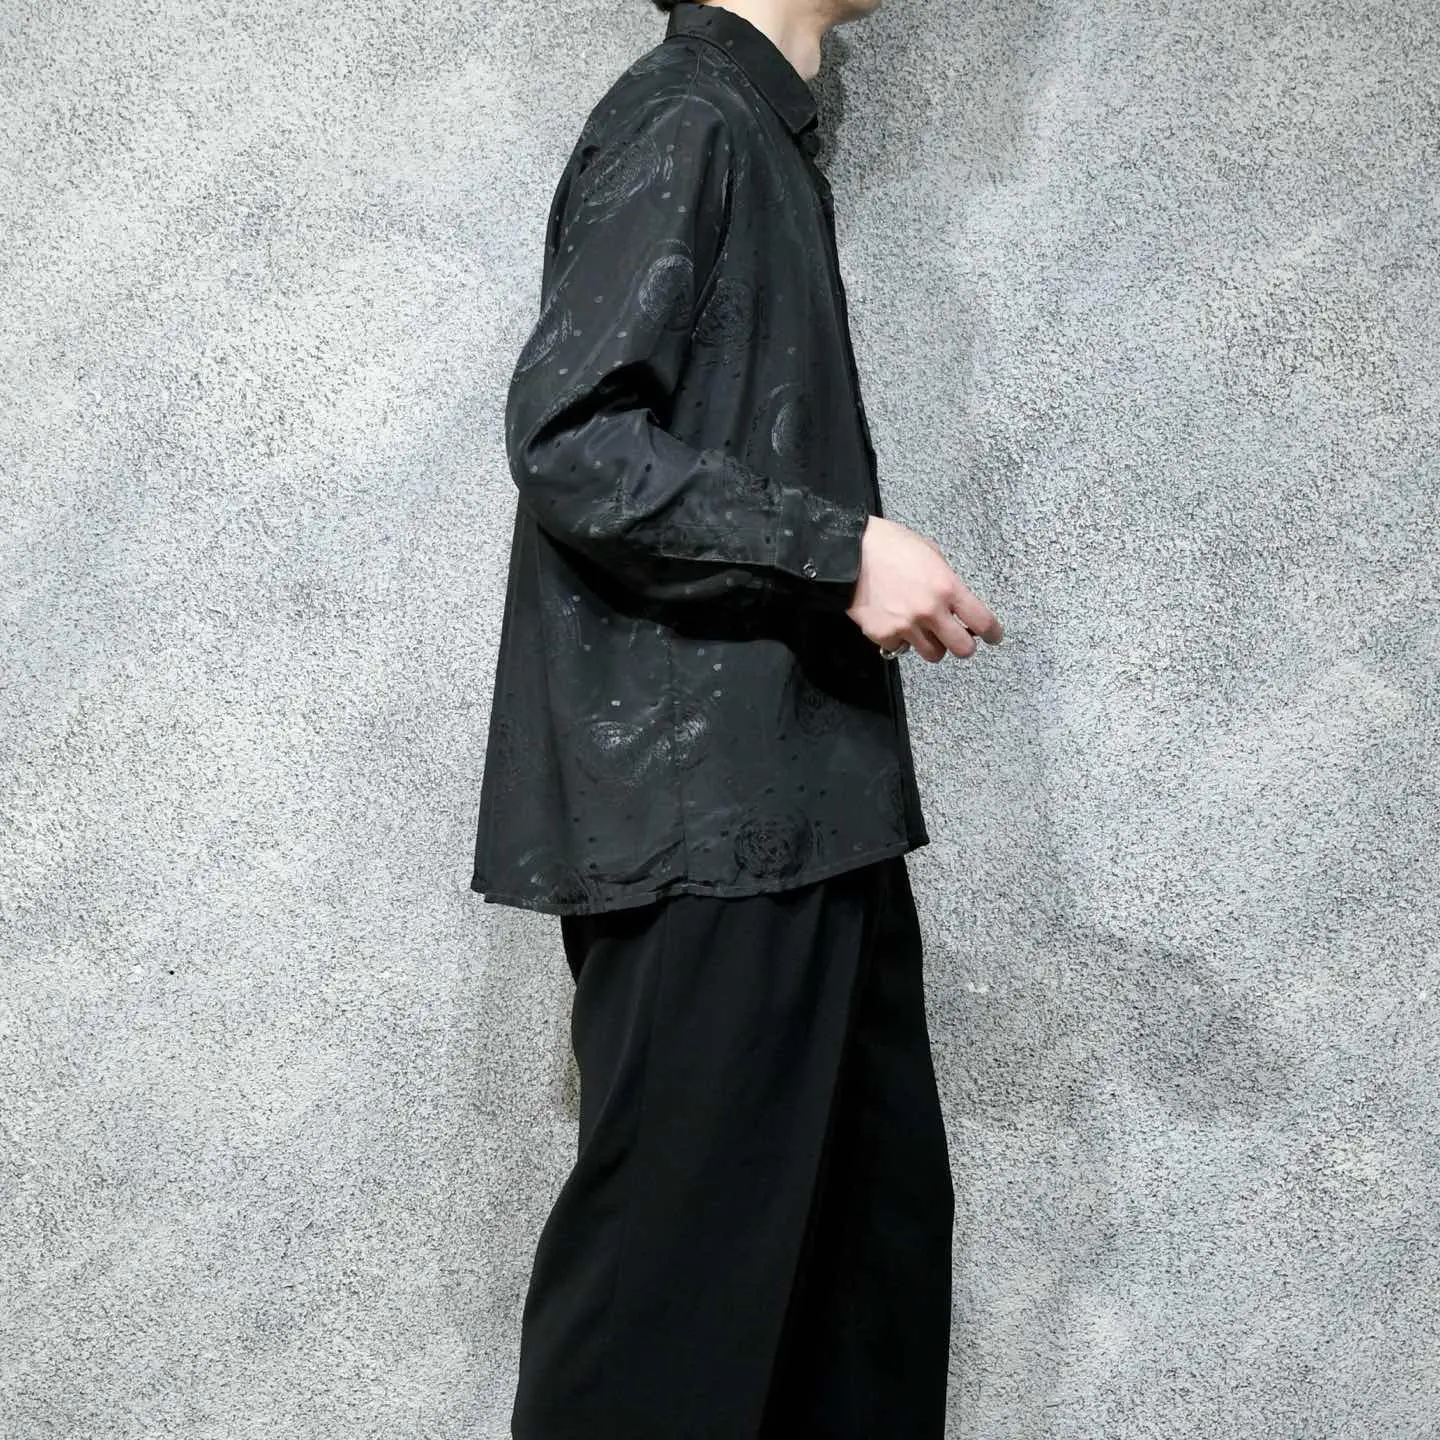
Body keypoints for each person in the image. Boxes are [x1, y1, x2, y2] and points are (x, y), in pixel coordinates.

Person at [470, 0, 1003, 1434]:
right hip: (707, 826)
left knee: (858, 1311)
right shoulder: (686, 116)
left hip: (809, 807)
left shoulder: (754, 132)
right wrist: (842, 550)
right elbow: (571, 440)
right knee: (667, 1334)